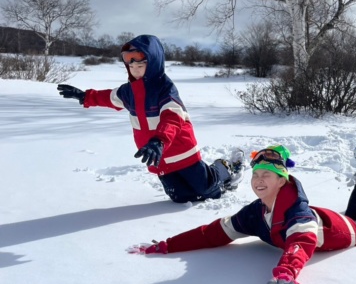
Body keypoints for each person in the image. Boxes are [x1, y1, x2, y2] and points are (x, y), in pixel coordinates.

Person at [128, 145, 356, 284]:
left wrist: (286, 273)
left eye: (267, 175)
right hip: (328, 219)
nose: (259, 180)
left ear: (282, 180)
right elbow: (215, 232)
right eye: (256, 175)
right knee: (355, 216)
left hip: (342, 234)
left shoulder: (295, 213)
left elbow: (301, 242)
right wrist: (168, 245)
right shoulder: (255, 213)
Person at [57, 34, 243, 203]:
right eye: (131, 66)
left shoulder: (165, 88)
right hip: (157, 156)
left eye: (140, 65)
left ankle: (223, 169)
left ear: (152, 63)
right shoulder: (129, 91)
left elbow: (172, 118)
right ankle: (206, 179)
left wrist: (159, 140)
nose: (136, 70)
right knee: (180, 197)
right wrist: (85, 96)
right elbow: (109, 97)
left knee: (208, 189)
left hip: (180, 150)